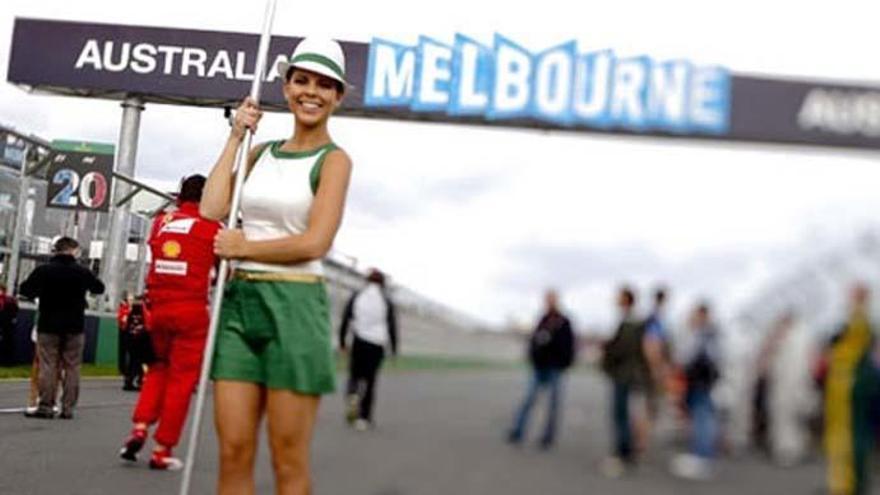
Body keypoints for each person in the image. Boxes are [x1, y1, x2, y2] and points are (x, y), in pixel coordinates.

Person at [201, 37, 352, 494]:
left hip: (296, 306)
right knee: (232, 453)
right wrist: (234, 135)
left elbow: (315, 242)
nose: (312, 92)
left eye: (325, 85)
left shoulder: (335, 161)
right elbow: (213, 208)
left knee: (287, 460)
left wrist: (243, 246)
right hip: (240, 305)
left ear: (337, 97)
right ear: (286, 88)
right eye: (302, 80)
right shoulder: (260, 150)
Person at [119, 174, 221, 470]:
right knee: (181, 380)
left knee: (157, 370)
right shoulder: (213, 227)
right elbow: (221, 269)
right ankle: (162, 448)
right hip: (191, 311)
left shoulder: (161, 221)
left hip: (158, 309)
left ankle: (139, 427)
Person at [18, 236, 105, 419]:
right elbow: (99, 288)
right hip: (75, 325)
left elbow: (25, 290)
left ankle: (46, 406)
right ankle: (68, 408)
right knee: (72, 366)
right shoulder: (82, 272)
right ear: (73, 250)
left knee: (48, 365)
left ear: (56, 250)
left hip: (48, 323)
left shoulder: (44, 270)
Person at [824, 283, 878, 495]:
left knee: (854, 437)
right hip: (846, 386)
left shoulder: (859, 320)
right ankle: (846, 483)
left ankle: (852, 485)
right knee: (848, 435)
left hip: (851, 386)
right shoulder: (856, 318)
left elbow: (846, 345)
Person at [506, 289, 575, 450]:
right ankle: (518, 431)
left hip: (555, 368)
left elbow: (569, 346)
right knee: (528, 400)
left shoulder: (564, 321)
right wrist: (533, 356)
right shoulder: (542, 319)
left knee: (553, 404)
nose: (548, 302)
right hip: (539, 367)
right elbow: (534, 340)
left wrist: (563, 363)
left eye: (551, 299)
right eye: (547, 299)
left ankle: (548, 437)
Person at [339, 268, 398, 431]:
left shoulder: (358, 296)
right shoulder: (386, 301)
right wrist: (393, 349)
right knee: (370, 381)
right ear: (382, 283)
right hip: (376, 344)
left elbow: (346, 318)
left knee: (355, 375)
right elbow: (392, 326)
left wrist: (342, 342)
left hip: (358, 340)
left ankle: (352, 394)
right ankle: (364, 418)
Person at [600, 286, 650, 477]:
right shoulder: (631, 321)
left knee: (620, 413)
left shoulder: (630, 322)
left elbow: (623, 349)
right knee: (624, 413)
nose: (615, 300)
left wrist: (608, 351)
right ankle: (625, 451)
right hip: (627, 374)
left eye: (619, 297)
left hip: (624, 374)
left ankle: (622, 453)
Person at [670, 302, 722, 480]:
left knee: (702, 418)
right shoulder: (712, 334)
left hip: (699, 382)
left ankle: (702, 456)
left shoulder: (704, 335)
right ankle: (702, 455)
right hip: (703, 382)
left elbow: (685, 356)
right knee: (703, 417)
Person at [641, 285, 673, 450]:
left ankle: (641, 442)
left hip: (651, 369)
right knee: (648, 407)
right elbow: (652, 345)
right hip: (652, 370)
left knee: (648, 407)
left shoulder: (655, 318)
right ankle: (641, 443)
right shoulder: (656, 319)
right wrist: (657, 370)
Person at [120, 296, 147, 391]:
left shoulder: (130, 314)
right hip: (139, 341)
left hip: (131, 341)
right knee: (139, 362)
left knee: (132, 362)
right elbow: (146, 326)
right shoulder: (143, 314)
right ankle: (138, 380)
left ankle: (129, 380)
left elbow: (125, 326)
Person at [0, 282, 19, 365]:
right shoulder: (9, 300)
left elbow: (14, 311)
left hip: (6, 324)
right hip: (7, 324)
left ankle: (7, 360)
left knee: (7, 342)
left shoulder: (9, 300)